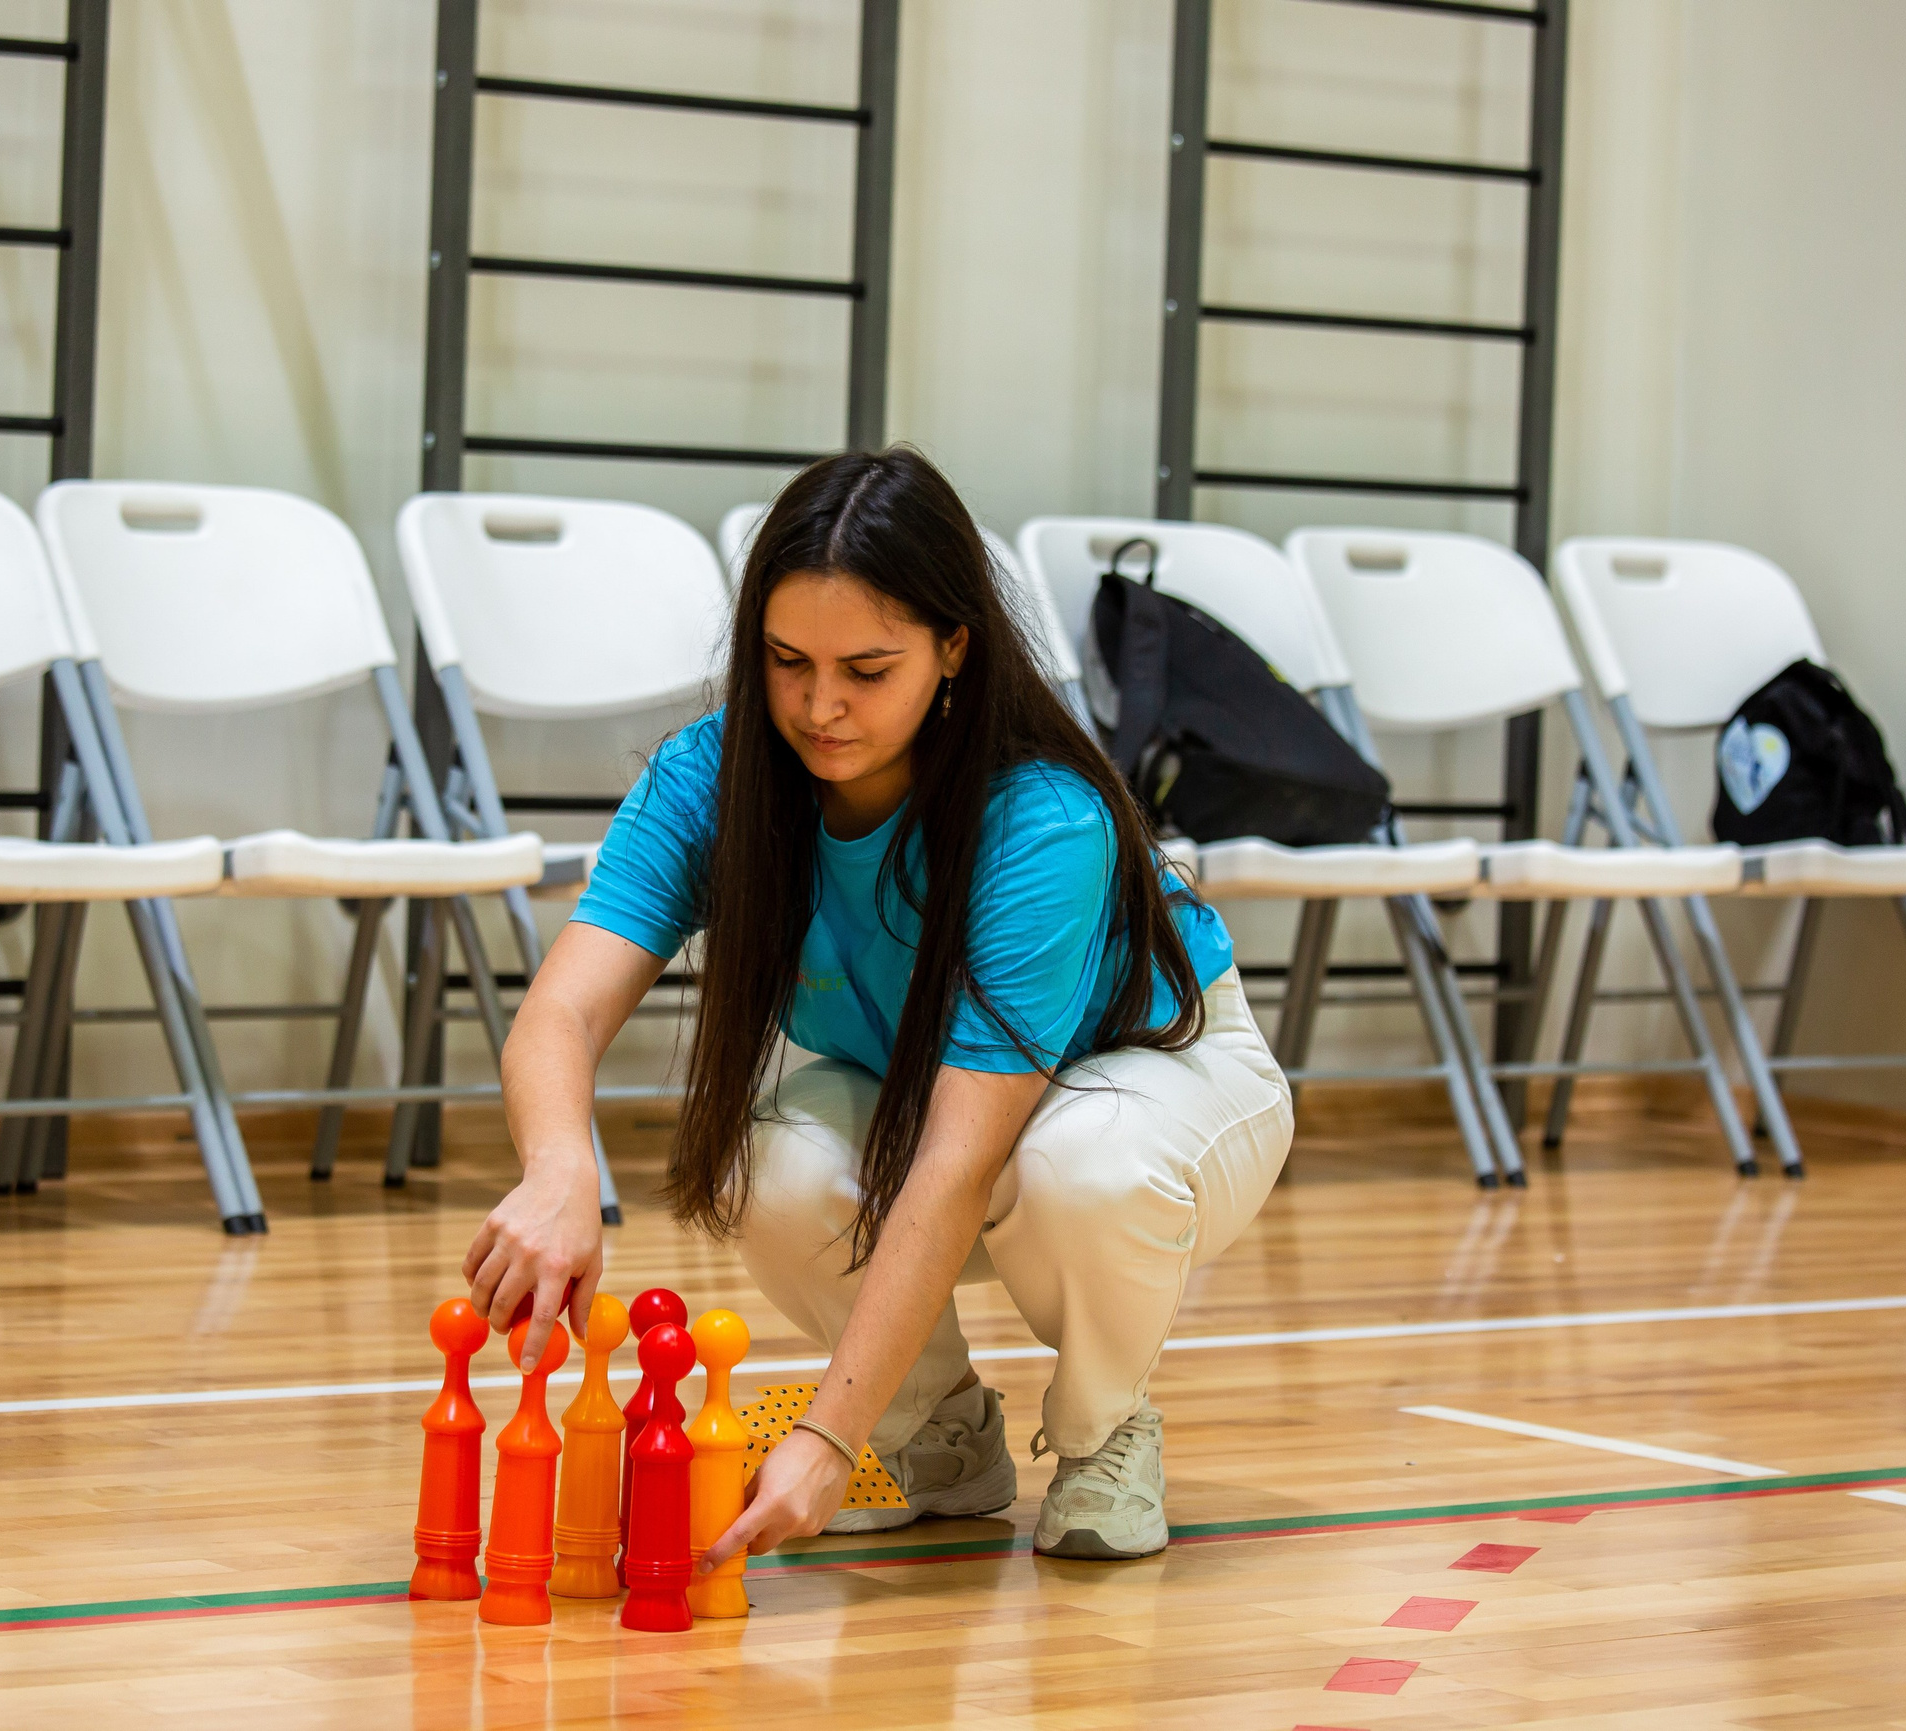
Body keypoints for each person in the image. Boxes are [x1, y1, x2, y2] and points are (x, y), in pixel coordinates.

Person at [460, 447, 1293, 1564]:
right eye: (787, 661)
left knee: (1078, 1170)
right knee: (770, 1160)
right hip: (915, 1080)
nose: (819, 707)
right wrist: (560, 1171)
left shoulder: (1041, 818)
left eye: (866, 668)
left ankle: (1104, 1432)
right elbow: (557, 1015)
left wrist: (822, 1430)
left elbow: (953, 1167)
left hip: (1161, 1074)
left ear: (954, 648)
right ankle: (938, 1442)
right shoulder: (707, 776)